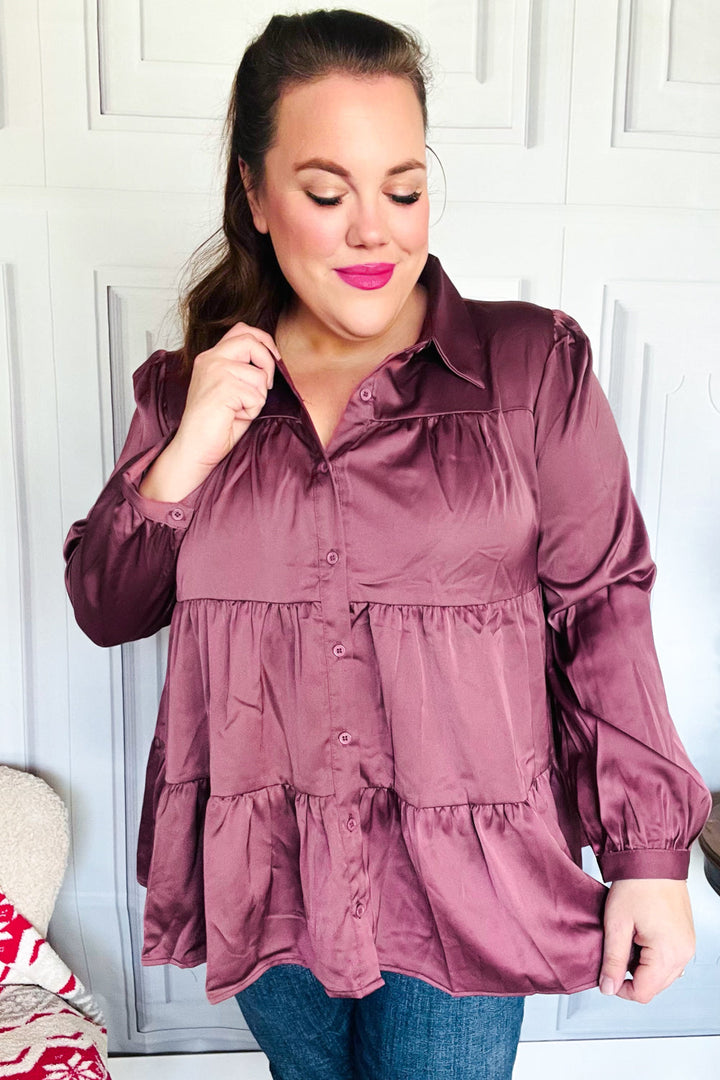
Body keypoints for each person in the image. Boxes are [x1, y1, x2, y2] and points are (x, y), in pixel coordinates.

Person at [63, 9, 713, 1080]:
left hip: (465, 878)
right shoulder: (190, 391)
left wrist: (648, 856)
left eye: (403, 190)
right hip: (267, 869)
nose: (376, 232)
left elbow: (603, 607)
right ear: (256, 196)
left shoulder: (529, 367)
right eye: (328, 193)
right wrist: (184, 456)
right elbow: (107, 606)